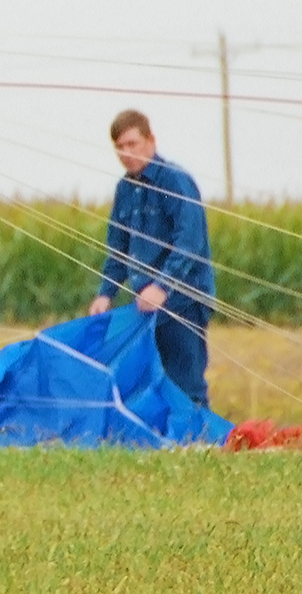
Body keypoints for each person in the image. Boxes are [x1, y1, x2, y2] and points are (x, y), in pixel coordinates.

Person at [87, 110, 217, 408]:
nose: (127, 152)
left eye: (133, 143)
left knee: (185, 382)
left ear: (151, 140)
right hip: (146, 306)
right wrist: (106, 293)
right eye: (121, 147)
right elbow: (118, 248)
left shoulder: (175, 181)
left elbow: (189, 242)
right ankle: (167, 445)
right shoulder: (125, 190)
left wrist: (162, 286)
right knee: (151, 382)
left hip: (184, 301)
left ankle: (197, 444)